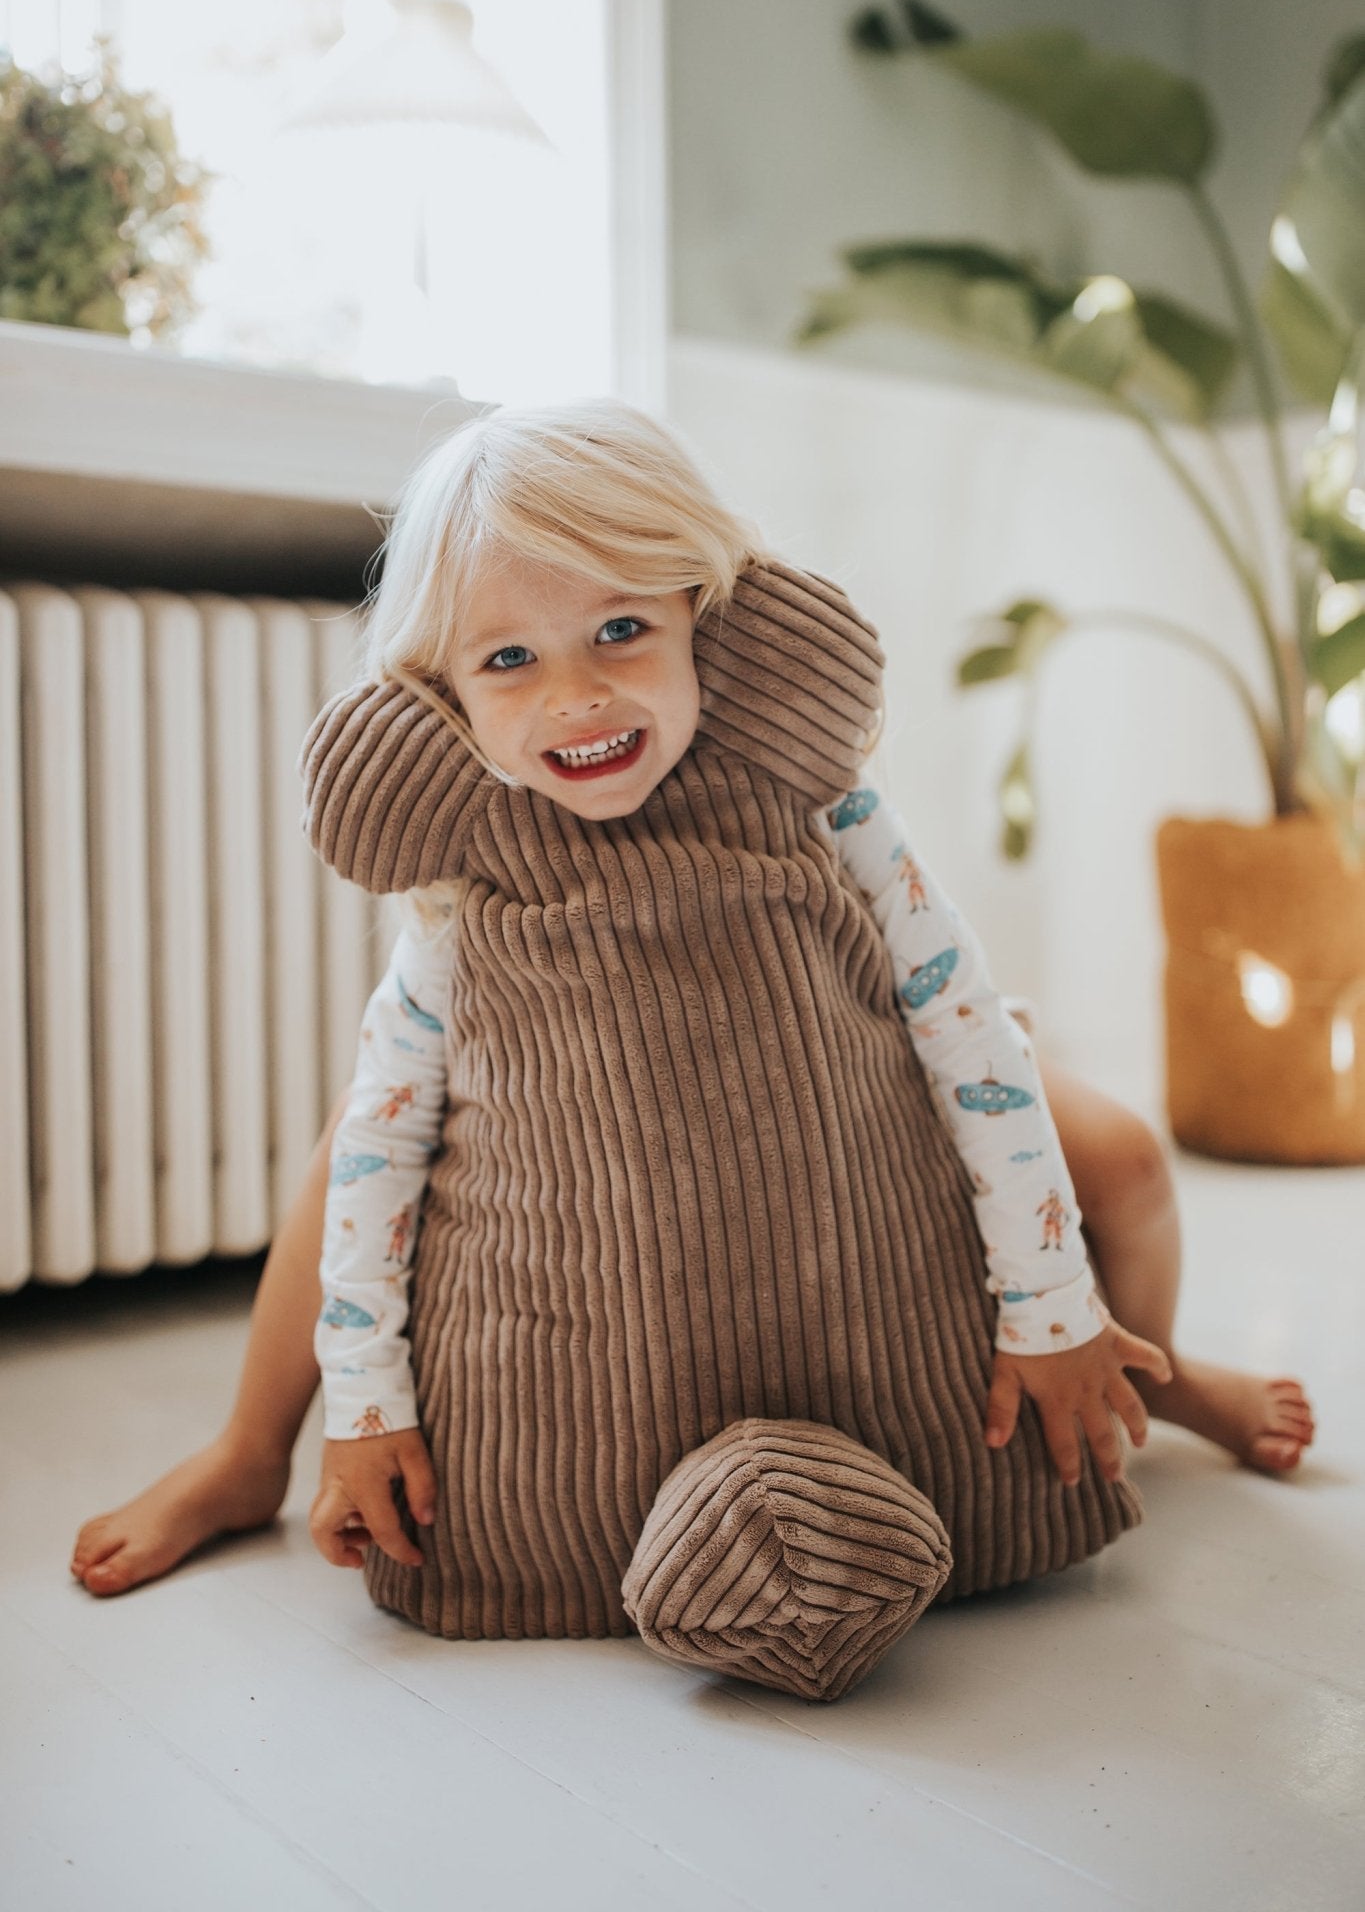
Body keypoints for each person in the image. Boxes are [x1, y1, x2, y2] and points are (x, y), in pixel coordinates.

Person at [71, 402, 1314, 1608]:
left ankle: (1142, 1365)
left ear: (706, 622)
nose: (576, 694)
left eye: (620, 629)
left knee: (1127, 1160)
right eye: (509, 659)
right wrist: (363, 1400)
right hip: (586, 1148)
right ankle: (247, 1450)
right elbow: (388, 1134)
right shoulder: (471, 860)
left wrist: (1048, 1307)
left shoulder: (805, 785)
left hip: (872, 1074)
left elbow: (959, 1013)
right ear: (441, 698)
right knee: (352, 1135)